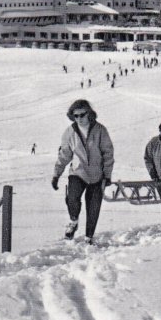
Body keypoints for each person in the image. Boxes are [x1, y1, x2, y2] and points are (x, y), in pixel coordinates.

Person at [52, 100, 114, 245]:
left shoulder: (100, 130)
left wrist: (107, 175)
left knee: (93, 206)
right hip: (78, 172)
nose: (79, 118)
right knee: (72, 198)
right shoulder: (70, 132)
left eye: (82, 115)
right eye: (75, 116)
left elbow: (108, 153)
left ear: (89, 114)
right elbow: (64, 154)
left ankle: (89, 237)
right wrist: (56, 174)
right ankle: (73, 221)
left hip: (96, 174)